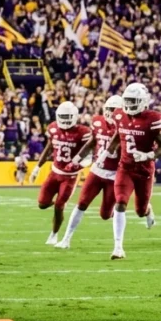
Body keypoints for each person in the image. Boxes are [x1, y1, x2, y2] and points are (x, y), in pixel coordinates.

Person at [56, 95, 123, 249]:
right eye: (108, 108)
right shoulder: (98, 121)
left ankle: (145, 209)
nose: (109, 112)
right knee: (81, 203)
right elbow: (92, 142)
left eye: (113, 109)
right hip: (97, 171)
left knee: (106, 215)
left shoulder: (124, 127)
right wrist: (77, 159)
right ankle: (66, 239)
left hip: (114, 174)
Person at [109, 83, 161, 260]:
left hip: (144, 170)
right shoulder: (119, 114)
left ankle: (148, 211)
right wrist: (107, 152)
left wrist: (148, 155)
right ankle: (118, 247)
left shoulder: (152, 119)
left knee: (140, 210)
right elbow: (118, 135)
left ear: (143, 101)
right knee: (119, 202)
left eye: (134, 100)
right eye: (128, 100)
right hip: (125, 167)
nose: (130, 104)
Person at [30, 101, 92, 246]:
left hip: (70, 177)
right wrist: (37, 167)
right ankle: (58, 206)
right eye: (62, 116)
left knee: (59, 206)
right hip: (54, 172)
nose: (64, 120)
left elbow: (90, 155)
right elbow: (49, 148)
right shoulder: (53, 128)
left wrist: (80, 164)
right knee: (42, 204)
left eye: (67, 116)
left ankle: (54, 234)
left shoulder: (83, 132)